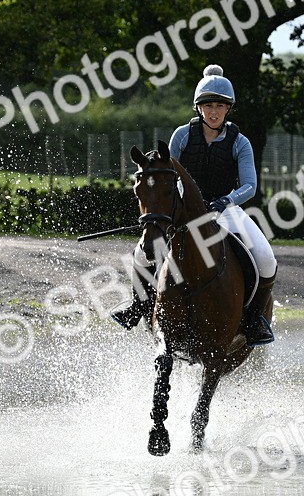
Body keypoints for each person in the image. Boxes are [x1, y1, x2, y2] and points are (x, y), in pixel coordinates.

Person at [112, 65, 277, 346]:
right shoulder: (182, 135)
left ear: (228, 109)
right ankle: (137, 307)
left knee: (265, 257)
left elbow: (250, 186)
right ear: (199, 108)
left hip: (226, 210)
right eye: (208, 105)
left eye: (220, 106)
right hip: (186, 212)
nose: (214, 112)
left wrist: (226, 201)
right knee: (141, 254)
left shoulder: (240, 142)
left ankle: (254, 320)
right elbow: (167, 174)